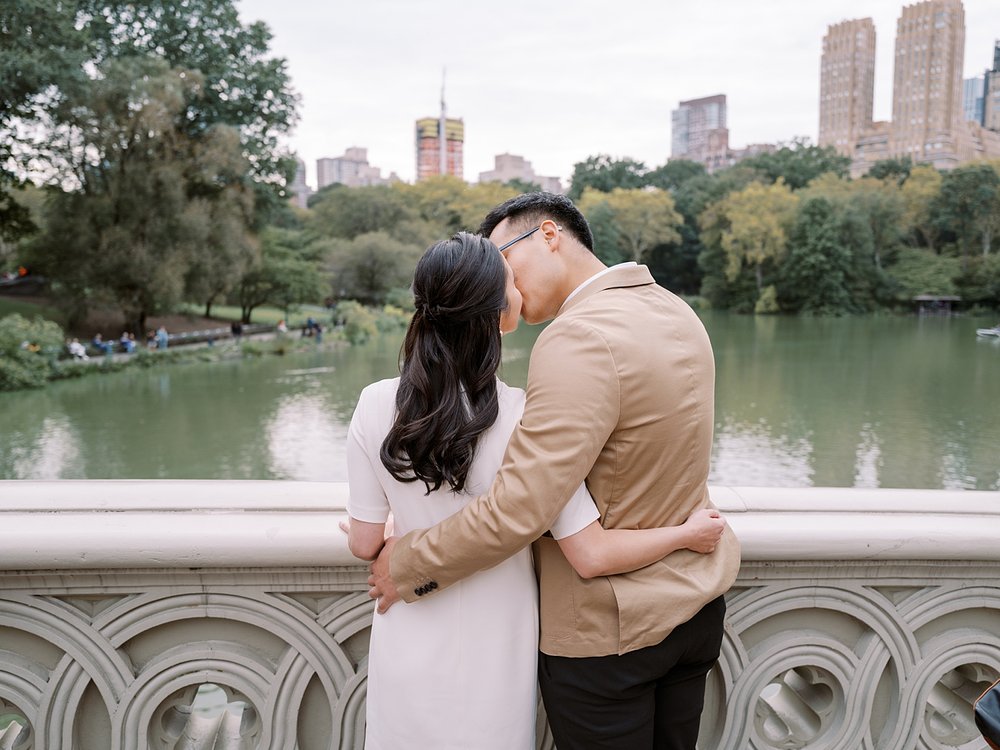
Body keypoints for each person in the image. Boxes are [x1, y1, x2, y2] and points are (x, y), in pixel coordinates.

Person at [369, 193, 741, 749]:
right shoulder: (676, 311)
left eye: (502, 262)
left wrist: (409, 561)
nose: (501, 287)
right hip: (695, 607)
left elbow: (521, 507)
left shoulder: (577, 336)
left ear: (548, 235)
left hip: (610, 632)